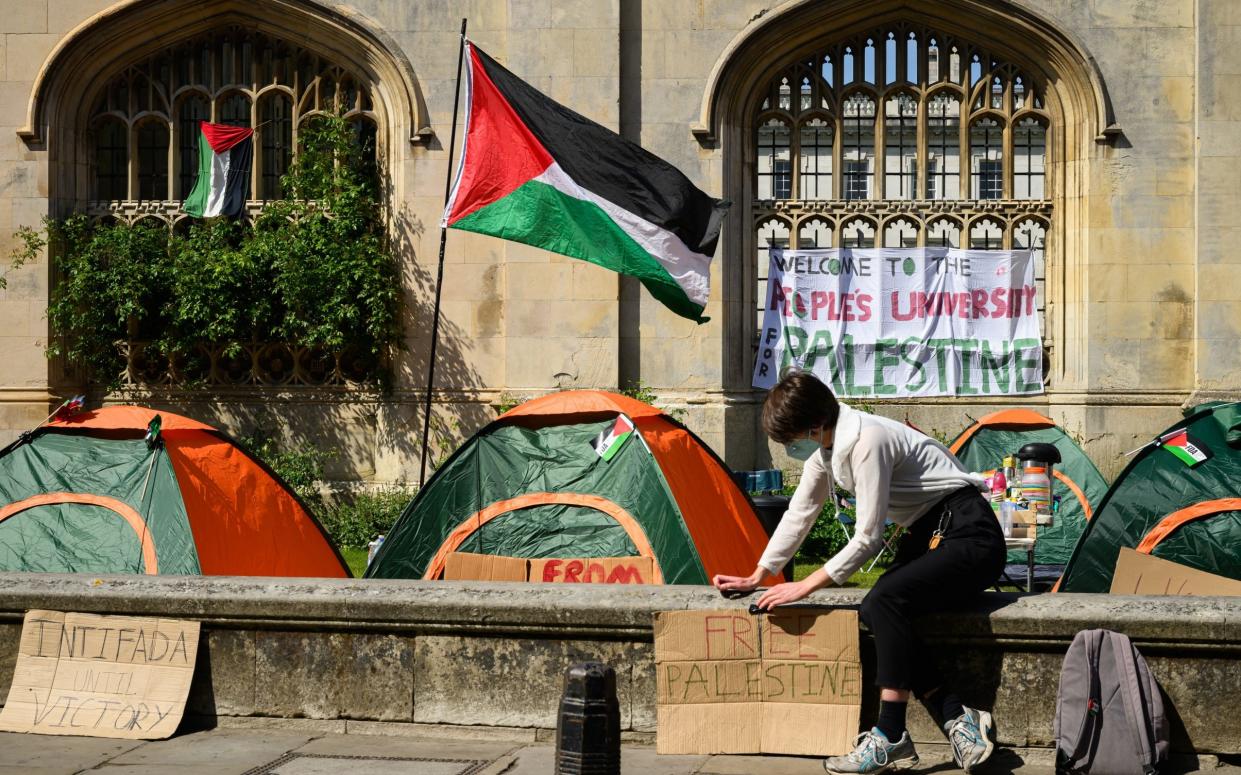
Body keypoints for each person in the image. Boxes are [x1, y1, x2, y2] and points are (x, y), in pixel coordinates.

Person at [713, 370, 1006, 774]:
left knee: (885, 599)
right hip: (929, 533)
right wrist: (758, 575)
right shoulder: (827, 453)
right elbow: (800, 514)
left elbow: (867, 537)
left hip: (969, 533)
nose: (787, 448)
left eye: (788, 439)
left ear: (814, 426)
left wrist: (804, 586)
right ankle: (957, 716)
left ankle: (890, 736)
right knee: (876, 610)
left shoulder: (868, 440)